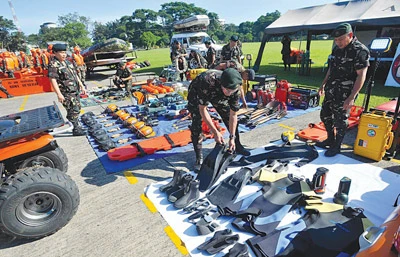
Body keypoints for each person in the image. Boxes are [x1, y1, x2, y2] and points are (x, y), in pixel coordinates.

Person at [317, 23, 370, 157]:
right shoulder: (337, 49)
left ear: (350, 35)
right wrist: (323, 84)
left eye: (341, 39)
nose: (338, 42)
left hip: (345, 92)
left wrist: (352, 97)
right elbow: (331, 68)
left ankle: (337, 146)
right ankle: (330, 139)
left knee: (340, 120)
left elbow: (361, 75)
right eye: (336, 40)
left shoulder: (360, 51)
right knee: (325, 115)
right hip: (331, 88)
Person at [187, 68, 251, 171]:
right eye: (227, 90)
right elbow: (202, 109)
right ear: (222, 84)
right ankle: (199, 158)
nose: (229, 93)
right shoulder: (207, 81)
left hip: (218, 94)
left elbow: (233, 115)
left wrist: (231, 137)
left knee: (227, 117)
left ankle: (237, 145)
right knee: (196, 124)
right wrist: (215, 132)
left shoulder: (235, 90)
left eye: (231, 91)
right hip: (198, 92)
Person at [48, 43, 87, 136]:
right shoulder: (54, 64)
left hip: (75, 90)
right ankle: (76, 129)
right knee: (72, 110)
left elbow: (75, 75)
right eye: (61, 52)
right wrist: (59, 94)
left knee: (77, 109)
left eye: (65, 52)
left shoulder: (68, 62)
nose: (64, 54)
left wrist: (81, 85)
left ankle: (77, 125)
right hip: (66, 92)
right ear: (55, 53)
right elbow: (52, 79)